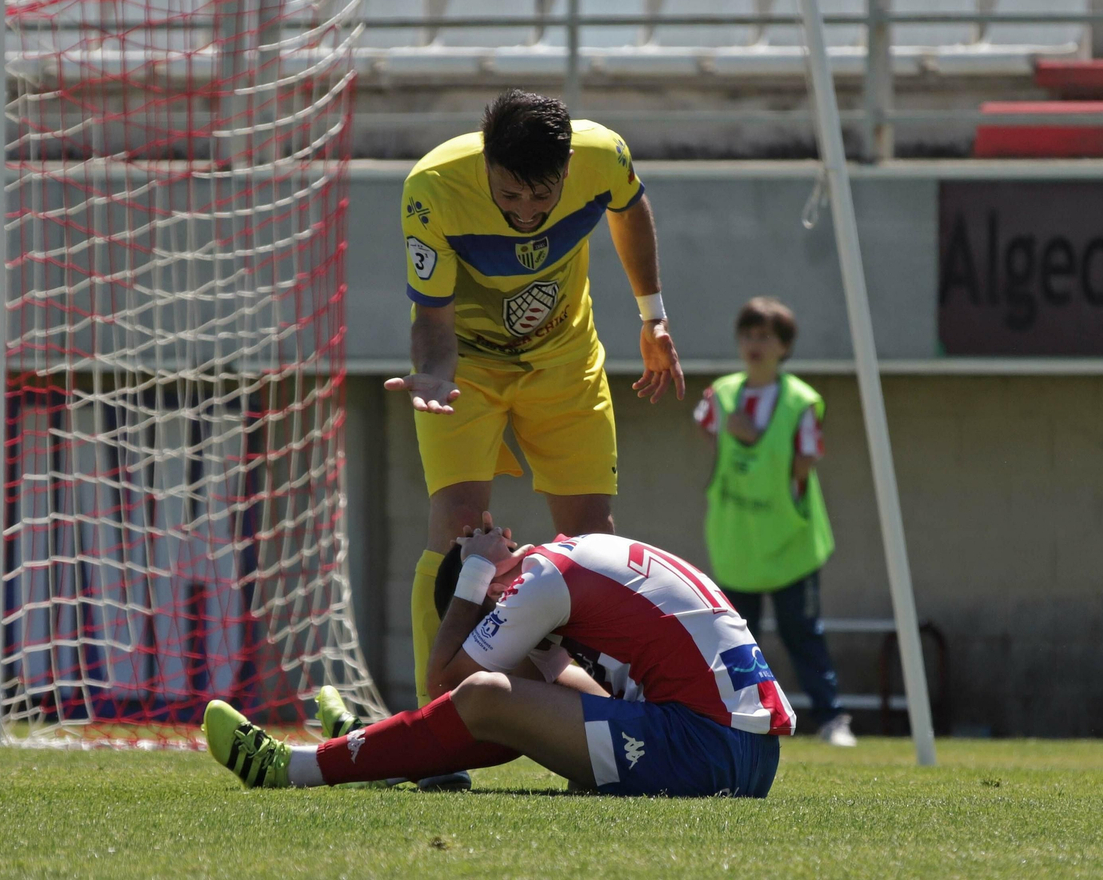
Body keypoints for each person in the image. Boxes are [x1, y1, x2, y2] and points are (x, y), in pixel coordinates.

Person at [382, 91, 685, 754]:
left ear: (570, 165)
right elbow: (433, 323)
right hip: (467, 370)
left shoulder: (604, 155)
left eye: (540, 197)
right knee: (459, 531)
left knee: (593, 542)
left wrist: (652, 314)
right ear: (485, 160)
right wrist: (432, 373)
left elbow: (631, 210)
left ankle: (612, 718)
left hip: (564, 360)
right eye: (509, 196)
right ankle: (433, 733)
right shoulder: (431, 189)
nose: (525, 214)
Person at [202, 515, 793, 797]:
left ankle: (298, 768)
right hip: (748, 757)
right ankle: (378, 749)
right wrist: (535, 654)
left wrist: (475, 575)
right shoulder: (571, 563)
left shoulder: (537, 580)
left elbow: (446, 682)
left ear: (493, 596)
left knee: (485, 695)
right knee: (509, 703)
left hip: (706, 748)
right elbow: (579, 701)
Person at [692, 297, 854, 748]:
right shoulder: (720, 396)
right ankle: (736, 718)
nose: (753, 344)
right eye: (747, 335)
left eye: (765, 336)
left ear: (784, 346)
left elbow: (805, 460)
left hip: (789, 543)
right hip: (738, 540)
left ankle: (831, 718)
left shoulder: (802, 401)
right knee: (736, 635)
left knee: (802, 633)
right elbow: (708, 434)